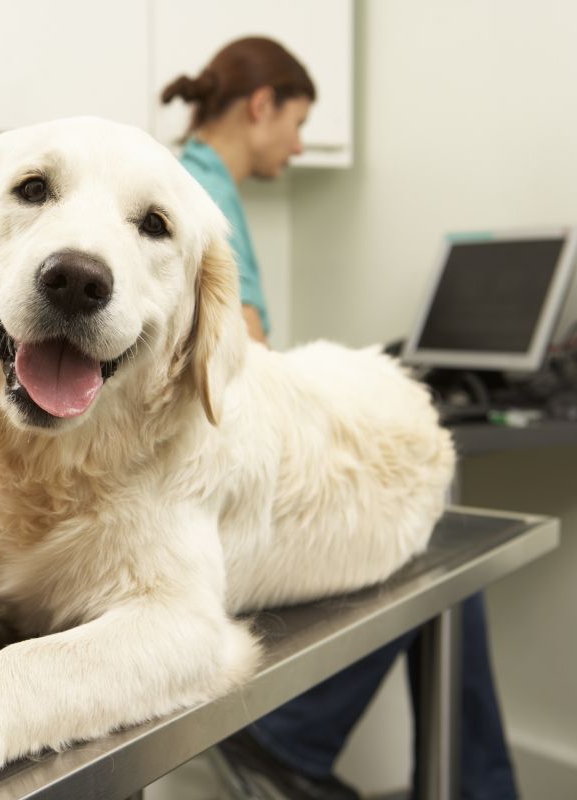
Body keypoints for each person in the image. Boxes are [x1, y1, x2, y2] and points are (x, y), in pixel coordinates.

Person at [160, 37, 518, 800]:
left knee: (428, 528)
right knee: (429, 522)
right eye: (296, 121)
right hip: (201, 497)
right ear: (262, 106)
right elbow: (240, 370)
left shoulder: (189, 181)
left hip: (195, 480)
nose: (298, 144)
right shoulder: (202, 198)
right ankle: (294, 739)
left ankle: (321, 745)